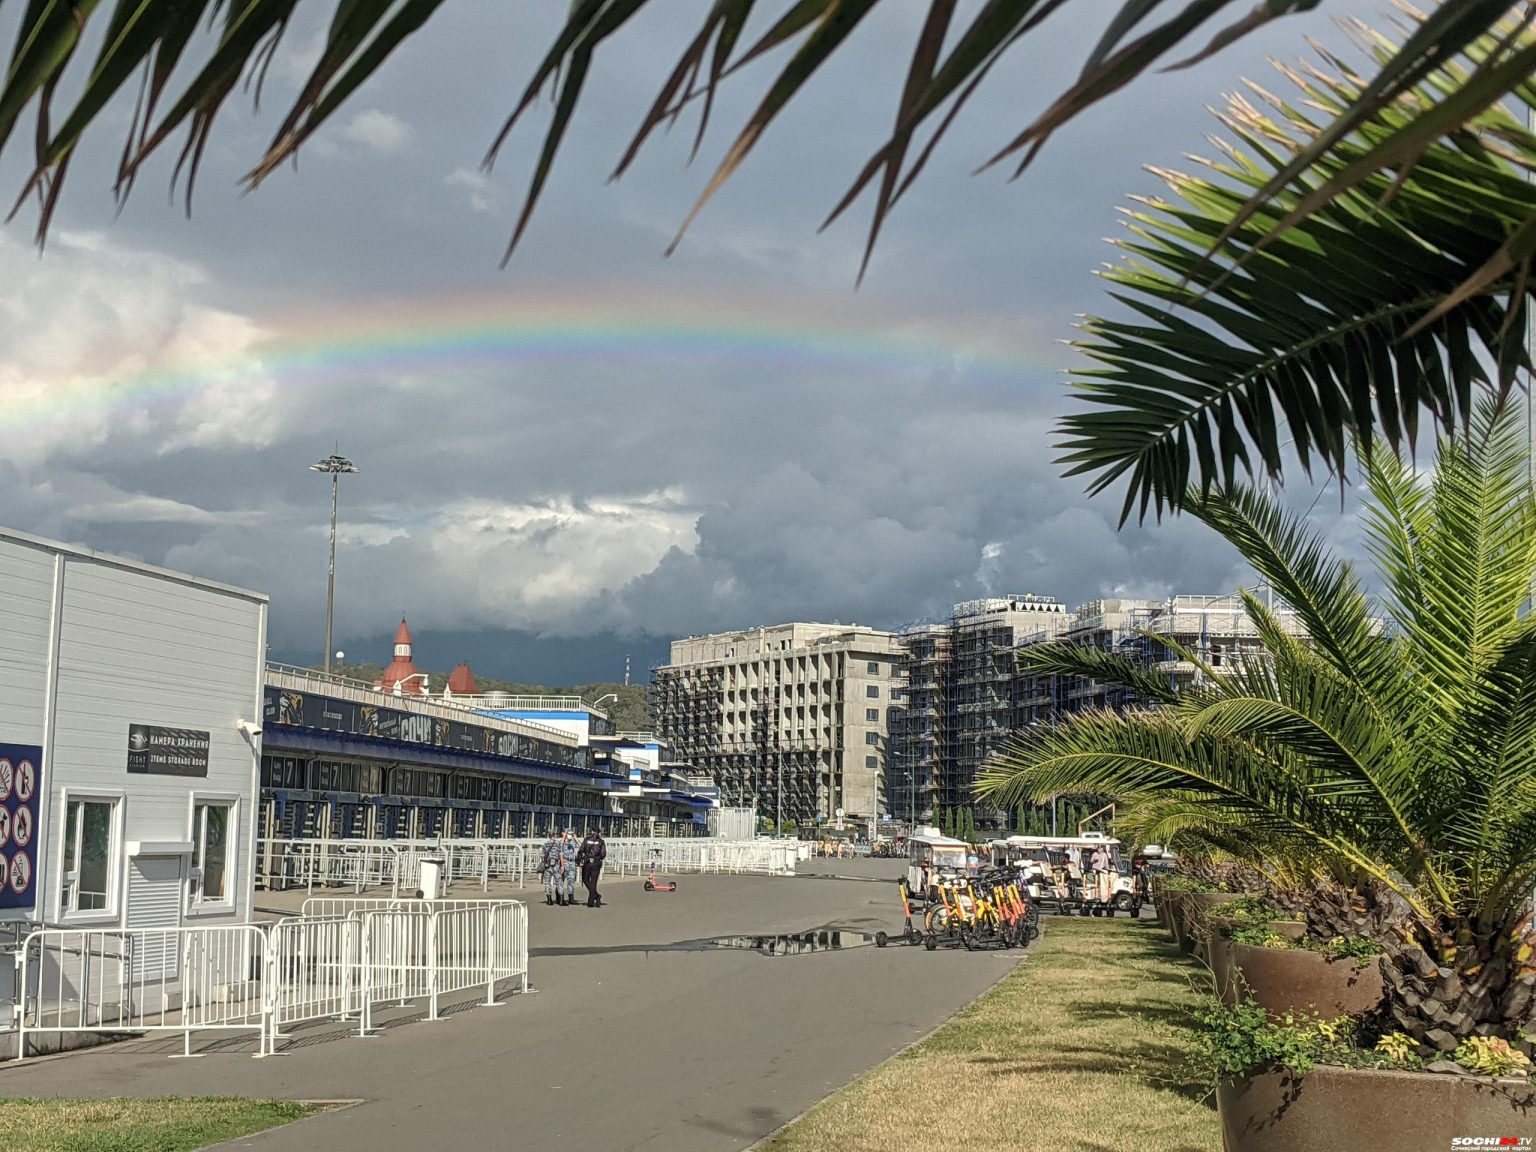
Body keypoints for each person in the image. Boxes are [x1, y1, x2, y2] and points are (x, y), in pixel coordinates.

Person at [577, 828, 607, 907]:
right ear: (599, 833)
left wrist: (578, 860)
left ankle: (594, 898)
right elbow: (603, 854)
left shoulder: (586, 840)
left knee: (585, 879)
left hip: (587, 862)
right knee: (593, 882)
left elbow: (581, 850)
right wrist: (598, 858)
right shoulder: (601, 842)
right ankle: (594, 898)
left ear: (592, 832)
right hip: (596, 863)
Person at [556, 829, 580, 906]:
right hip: (564, 862)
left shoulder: (572, 842)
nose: (570, 836)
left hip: (572, 862)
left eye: (571, 834)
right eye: (569, 834)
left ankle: (571, 898)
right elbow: (559, 847)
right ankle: (560, 897)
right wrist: (564, 837)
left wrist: (576, 839)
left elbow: (582, 846)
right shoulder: (561, 841)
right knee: (561, 881)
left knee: (571, 881)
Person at [538, 829, 561, 905]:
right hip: (556, 865)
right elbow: (561, 854)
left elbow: (542, 855)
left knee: (547, 882)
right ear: (555, 835)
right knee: (558, 882)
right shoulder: (558, 843)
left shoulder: (545, 844)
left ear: (549, 835)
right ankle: (560, 900)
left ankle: (549, 900)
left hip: (547, 865)